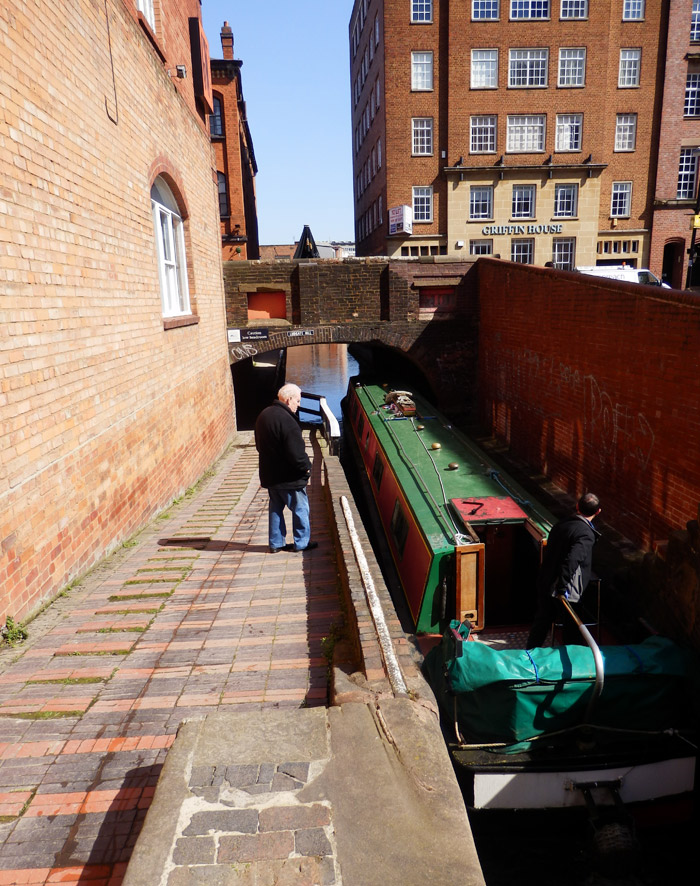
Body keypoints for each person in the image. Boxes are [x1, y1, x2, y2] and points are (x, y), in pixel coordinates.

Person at [526, 493, 601, 648]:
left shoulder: (561, 525)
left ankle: (530, 654)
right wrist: (562, 586)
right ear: (598, 512)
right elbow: (574, 559)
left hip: (546, 581)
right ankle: (572, 664)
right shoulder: (586, 534)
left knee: (542, 623)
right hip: (567, 590)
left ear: (577, 507)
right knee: (572, 630)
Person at [254, 383, 318, 553]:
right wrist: (307, 467)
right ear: (289, 400)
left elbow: (259, 446)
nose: (299, 404)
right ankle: (302, 543)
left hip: (270, 475)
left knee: (275, 509)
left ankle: (276, 543)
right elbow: (296, 453)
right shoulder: (288, 421)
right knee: (300, 508)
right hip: (290, 477)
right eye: (297, 401)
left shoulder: (263, 415)